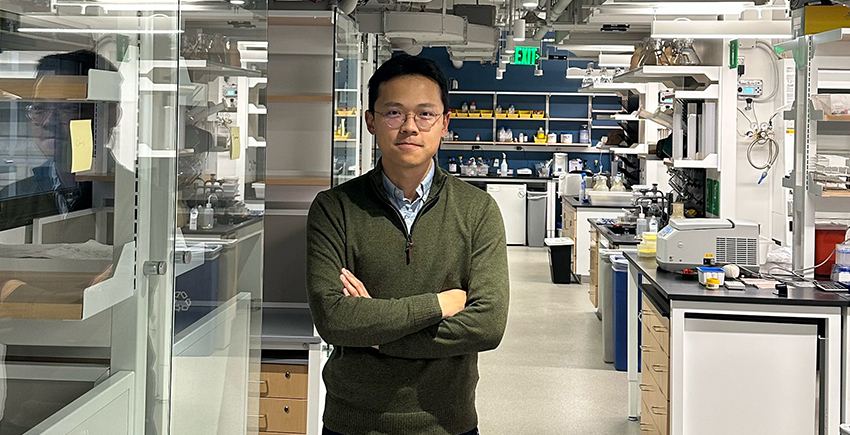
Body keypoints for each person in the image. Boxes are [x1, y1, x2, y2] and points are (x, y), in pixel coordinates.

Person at [306, 54, 510, 435]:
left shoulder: (478, 210)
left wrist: (378, 336)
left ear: (445, 123)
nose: (410, 127)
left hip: (447, 421)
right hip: (353, 422)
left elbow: (487, 326)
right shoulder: (334, 209)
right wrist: (438, 305)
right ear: (371, 121)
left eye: (425, 114)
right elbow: (333, 319)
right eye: (394, 113)